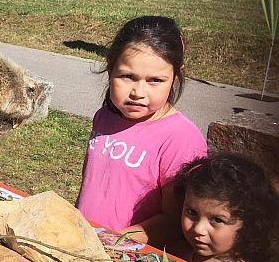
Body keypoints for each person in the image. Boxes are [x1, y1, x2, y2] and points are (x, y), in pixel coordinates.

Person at [75, 16, 207, 248]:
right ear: (110, 67)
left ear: (176, 76)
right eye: (128, 77)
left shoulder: (181, 138)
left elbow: (175, 221)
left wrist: (114, 241)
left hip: (132, 260)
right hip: (84, 243)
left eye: (155, 80)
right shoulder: (104, 116)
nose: (138, 92)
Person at [169, 154, 279, 262]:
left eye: (217, 220)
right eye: (192, 212)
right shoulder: (179, 250)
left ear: (248, 224)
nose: (199, 229)